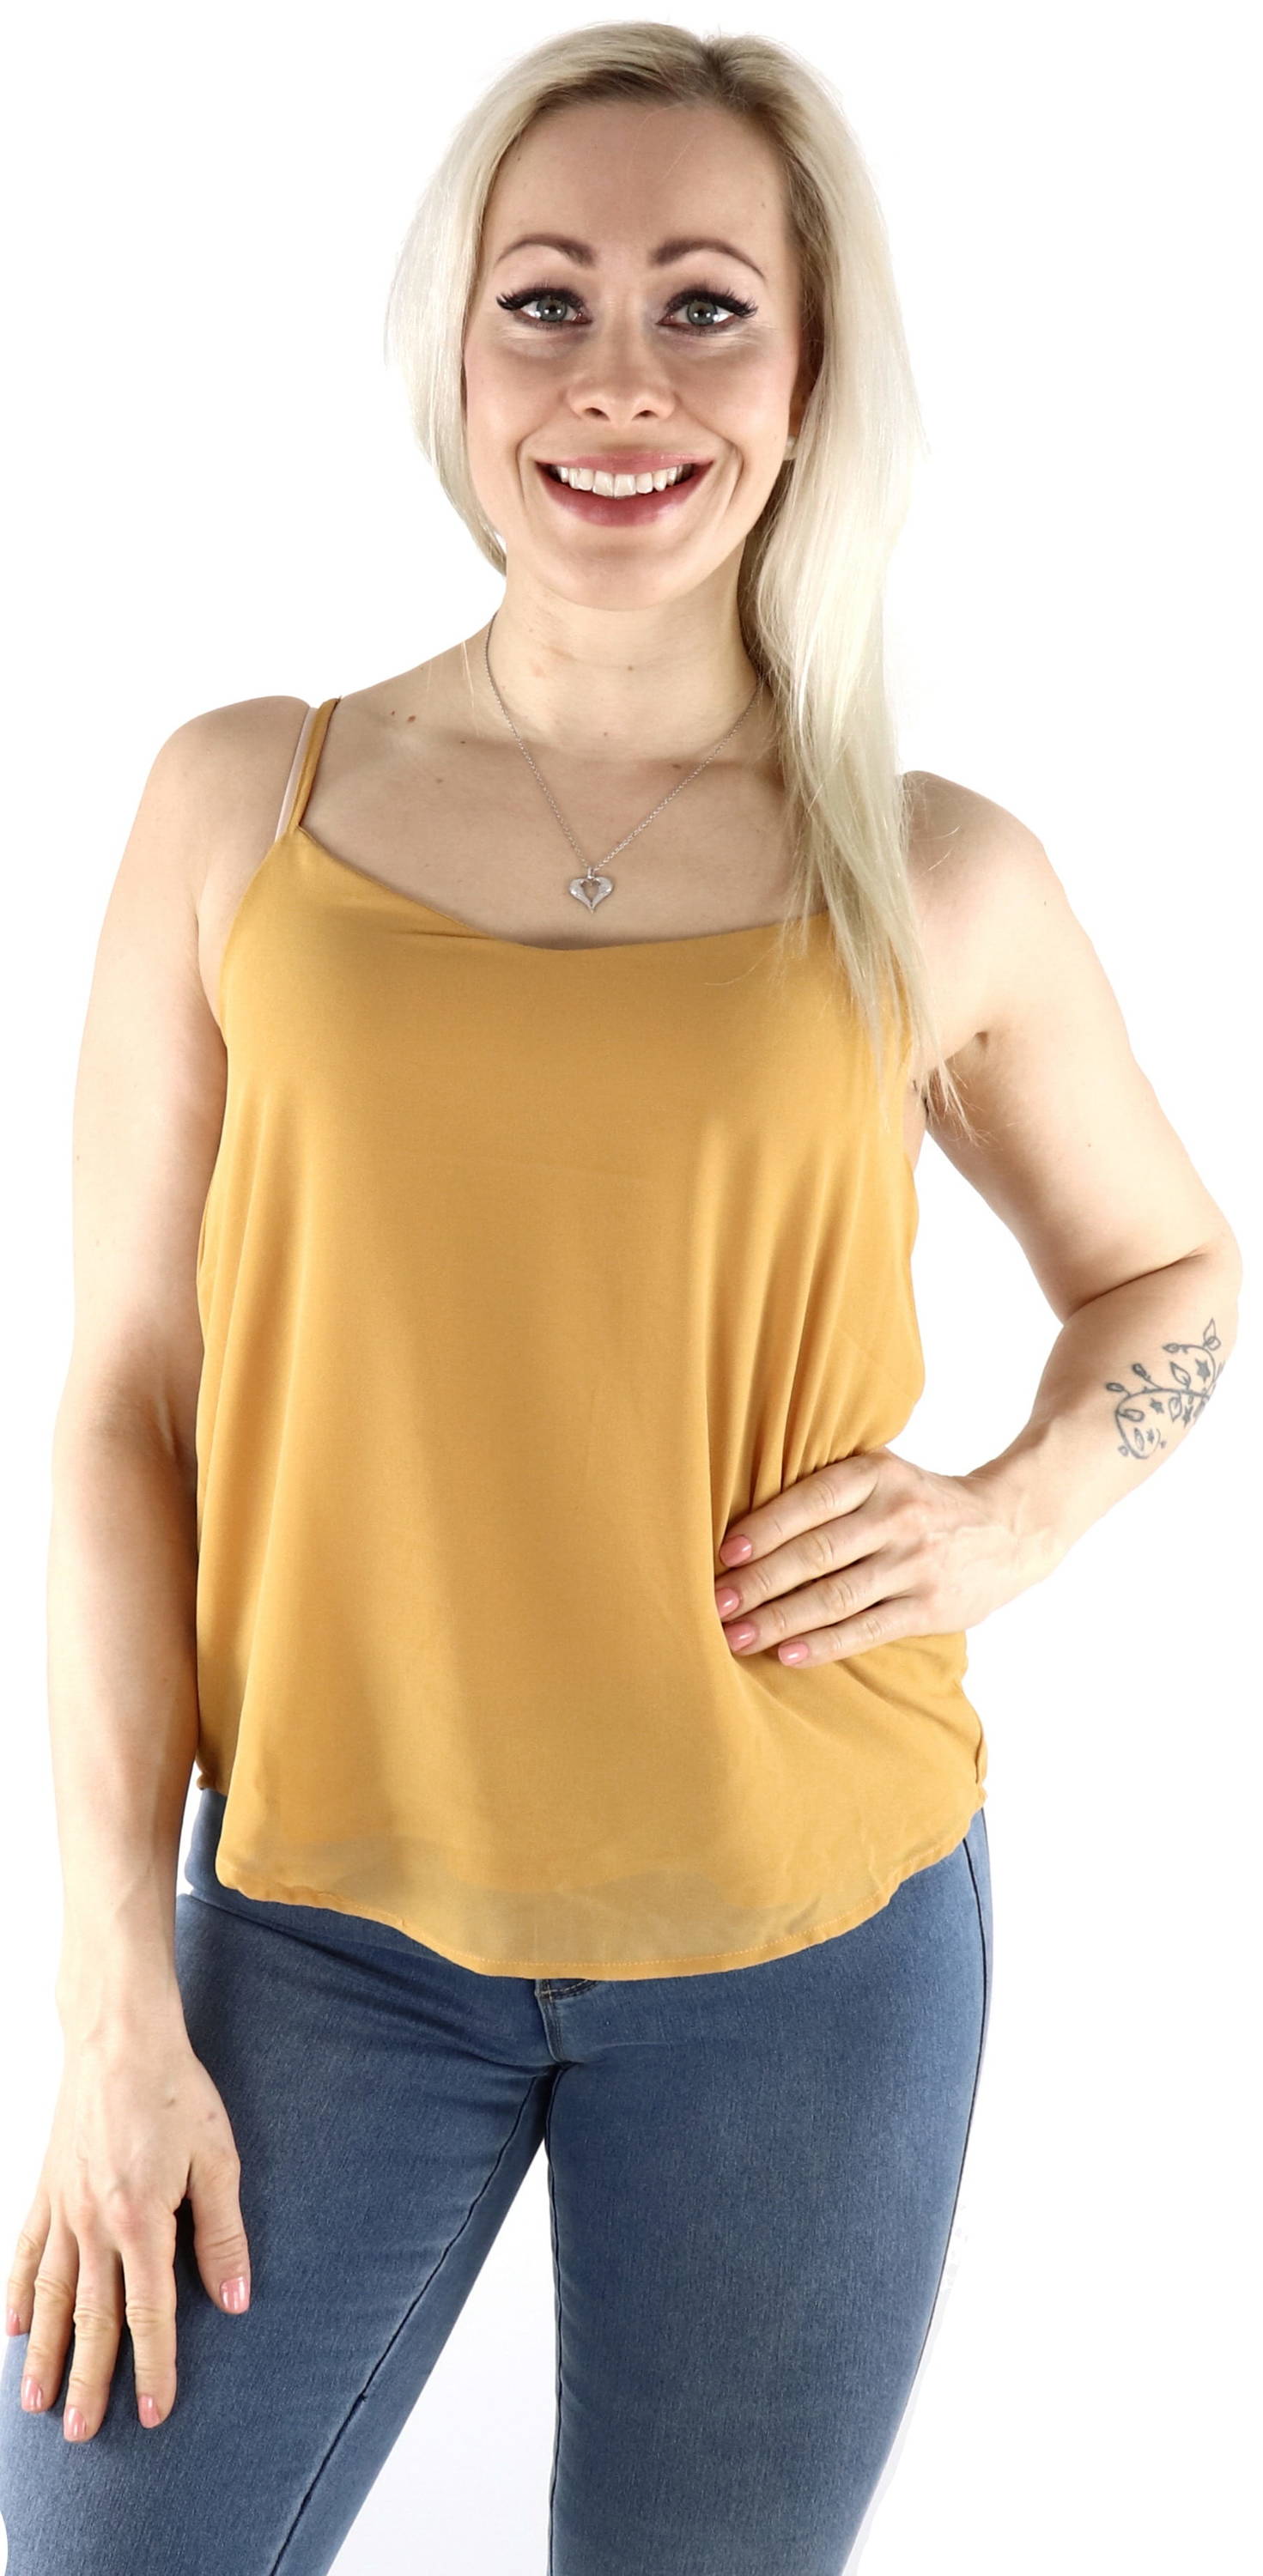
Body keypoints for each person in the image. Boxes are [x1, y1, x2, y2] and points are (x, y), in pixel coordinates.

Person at [0, 21, 1242, 2576]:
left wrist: (1018, 1514)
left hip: (814, 1934)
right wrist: (114, 1989)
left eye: (706, 307)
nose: (619, 379)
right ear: (456, 356)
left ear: (807, 380)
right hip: (324, 1928)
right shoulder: (243, 806)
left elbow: (1174, 1275)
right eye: (546, 300)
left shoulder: (937, 872)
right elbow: (123, 1402)